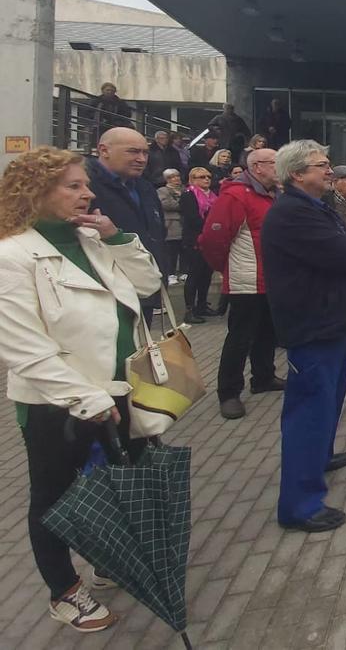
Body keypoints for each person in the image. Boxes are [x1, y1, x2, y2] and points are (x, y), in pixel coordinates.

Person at [0, 147, 163, 635]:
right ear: (36, 191)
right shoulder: (12, 253)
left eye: (85, 184)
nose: (87, 193)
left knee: (121, 481)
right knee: (55, 496)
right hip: (57, 403)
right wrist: (85, 399)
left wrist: (119, 239)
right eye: (73, 185)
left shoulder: (90, 239)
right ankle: (63, 590)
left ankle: (110, 557)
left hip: (120, 387)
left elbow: (150, 282)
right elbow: (23, 346)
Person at [261, 139, 346, 533]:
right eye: (322, 165)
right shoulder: (293, 214)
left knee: (329, 401)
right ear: (296, 174)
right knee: (309, 410)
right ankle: (300, 504)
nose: (330, 170)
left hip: (331, 321)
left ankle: (320, 455)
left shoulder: (313, 207)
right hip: (312, 324)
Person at [199, 148, 284, 419]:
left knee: (267, 331)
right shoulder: (235, 195)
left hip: (272, 277)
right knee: (240, 337)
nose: (280, 169)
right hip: (246, 279)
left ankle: (263, 377)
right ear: (258, 167)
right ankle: (229, 392)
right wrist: (226, 269)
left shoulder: (273, 195)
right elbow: (213, 239)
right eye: (275, 164)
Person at [85, 128, 168, 313]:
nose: (142, 159)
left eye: (145, 152)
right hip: (107, 295)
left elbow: (157, 233)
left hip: (144, 288)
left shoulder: (145, 187)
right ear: (104, 150)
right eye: (133, 151)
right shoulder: (85, 188)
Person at [180, 167, 217, 324]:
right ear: (193, 179)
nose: (206, 179)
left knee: (206, 274)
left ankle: (202, 305)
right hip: (194, 239)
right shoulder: (188, 195)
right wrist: (212, 226)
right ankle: (190, 309)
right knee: (194, 275)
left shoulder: (214, 196)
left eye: (208, 176)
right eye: (202, 177)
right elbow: (191, 219)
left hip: (209, 240)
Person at [157, 169, 183, 284]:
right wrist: (182, 203)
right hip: (171, 223)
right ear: (167, 179)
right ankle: (170, 274)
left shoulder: (184, 189)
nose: (176, 178)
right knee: (171, 251)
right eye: (173, 177)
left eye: (177, 176)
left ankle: (183, 272)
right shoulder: (162, 190)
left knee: (183, 249)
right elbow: (166, 204)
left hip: (184, 223)